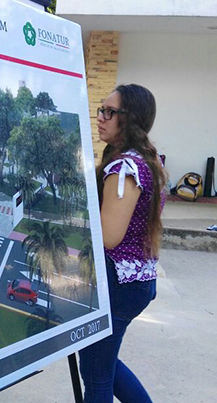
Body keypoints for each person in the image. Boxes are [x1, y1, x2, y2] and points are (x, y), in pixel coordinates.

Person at [78, 84, 166, 403]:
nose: (101, 117)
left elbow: (109, 236)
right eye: (101, 110)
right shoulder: (148, 160)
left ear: (130, 119)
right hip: (138, 279)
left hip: (118, 284)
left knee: (96, 375)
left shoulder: (124, 168)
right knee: (103, 365)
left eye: (110, 112)